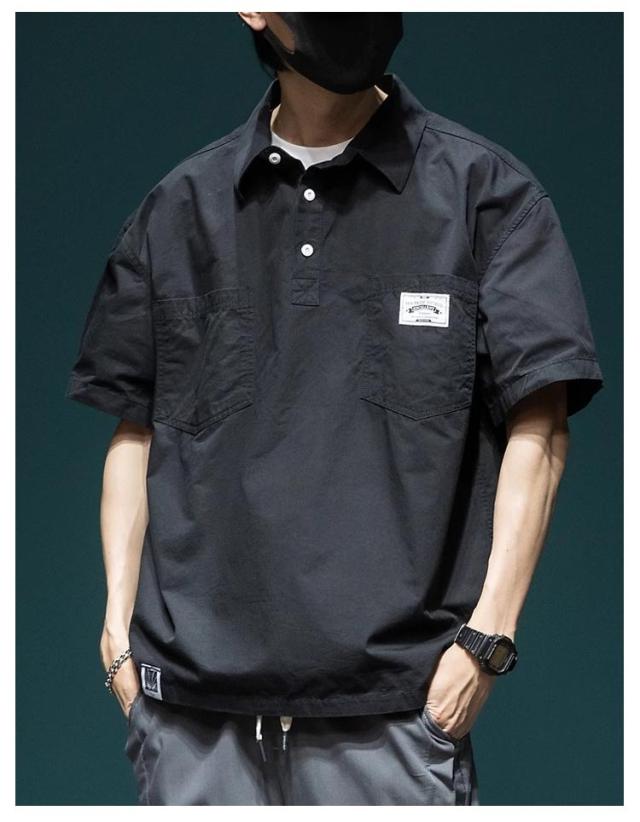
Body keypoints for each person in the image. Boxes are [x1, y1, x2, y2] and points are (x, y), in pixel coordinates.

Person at [64, 12, 604, 806]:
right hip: (193, 727)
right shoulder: (177, 211)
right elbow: (137, 427)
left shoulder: (487, 196)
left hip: (393, 721)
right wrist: (118, 634)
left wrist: (487, 638)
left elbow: (542, 427)